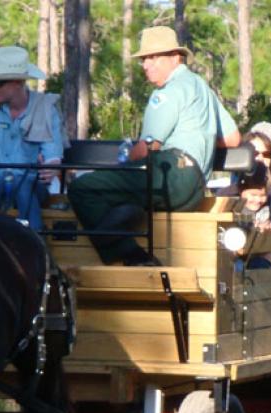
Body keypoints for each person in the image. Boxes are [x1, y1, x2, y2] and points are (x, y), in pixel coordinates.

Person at [69, 26, 240, 266]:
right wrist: (200, 137)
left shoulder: (167, 92)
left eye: (153, 57)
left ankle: (133, 254)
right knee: (122, 196)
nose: (145, 64)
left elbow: (145, 149)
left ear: (175, 57)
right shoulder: (202, 87)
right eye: (143, 59)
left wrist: (123, 161)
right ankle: (129, 215)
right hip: (196, 185)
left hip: (172, 173)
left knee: (82, 188)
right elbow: (233, 138)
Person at [0, 46, 66, 231]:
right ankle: (23, 237)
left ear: (18, 82)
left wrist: (51, 169)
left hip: (28, 183)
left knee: (25, 185)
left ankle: (31, 239)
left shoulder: (44, 107)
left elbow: (53, 155)